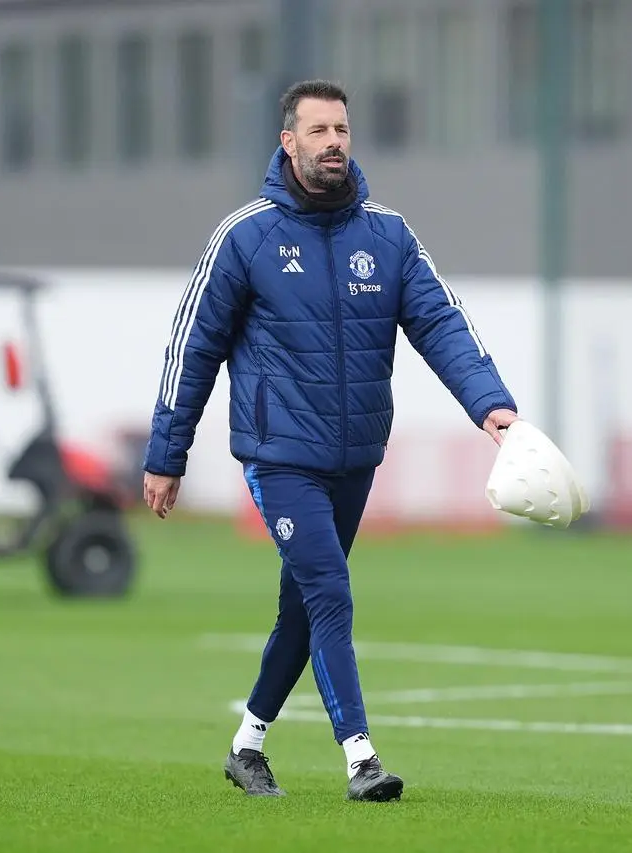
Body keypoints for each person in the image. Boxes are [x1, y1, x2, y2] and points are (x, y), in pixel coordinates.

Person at [141, 80, 519, 802]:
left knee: (302, 604)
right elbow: (192, 347)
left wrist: (492, 407)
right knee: (331, 591)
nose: (334, 141)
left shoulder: (389, 235)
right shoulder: (244, 236)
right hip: (278, 454)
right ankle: (361, 758)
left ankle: (246, 746)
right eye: (318, 130)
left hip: (354, 457)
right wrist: (168, 455)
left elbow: (443, 325)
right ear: (289, 143)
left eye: (341, 129)